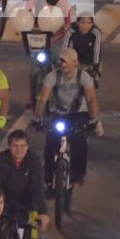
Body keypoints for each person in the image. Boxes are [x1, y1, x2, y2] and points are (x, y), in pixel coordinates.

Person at [33, 47, 101, 187]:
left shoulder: (84, 77)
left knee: (79, 140)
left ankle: (78, 174)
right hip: (57, 113)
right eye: (61, 61)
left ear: (75, 62)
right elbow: (43, 98)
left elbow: (91, 99)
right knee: (51, 142)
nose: (62, 64)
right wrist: (37, 117)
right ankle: (48, 178)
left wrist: (94, 120)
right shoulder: (52, 76)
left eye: (66, 62)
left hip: (78, 114)